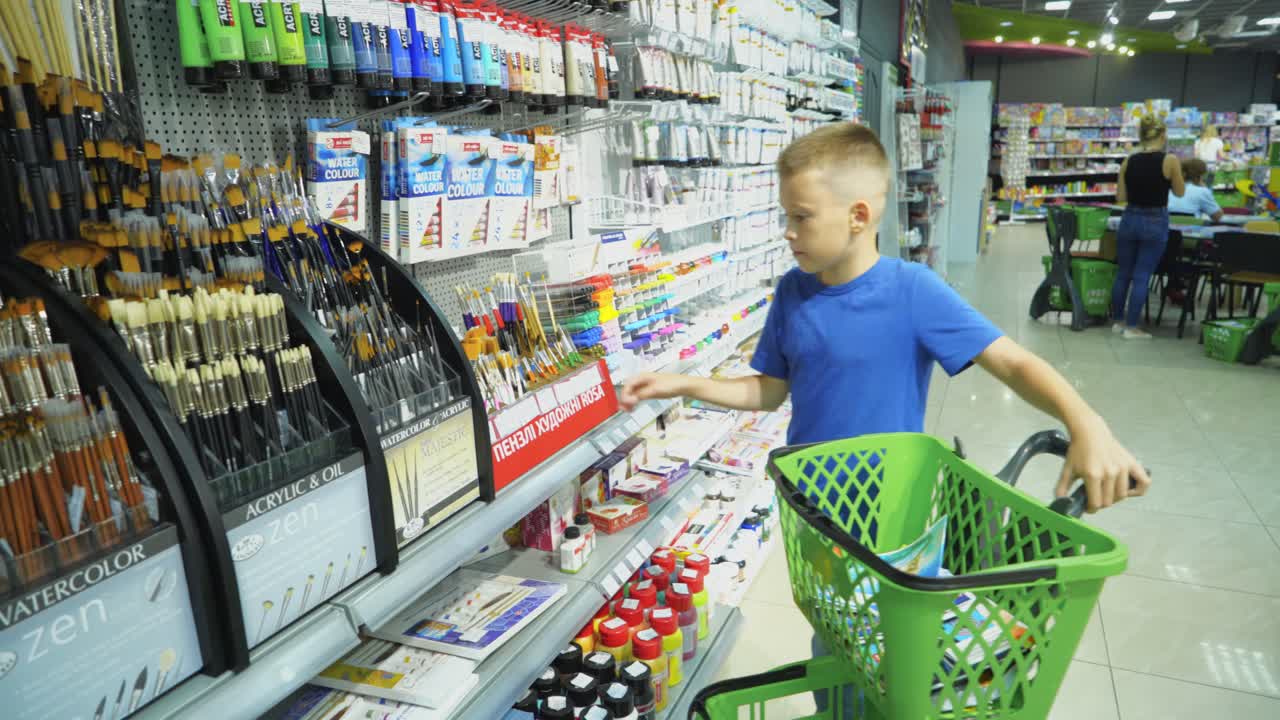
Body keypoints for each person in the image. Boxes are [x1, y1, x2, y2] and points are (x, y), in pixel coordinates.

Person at [618, 123, 1151, 718]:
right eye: (785, 217)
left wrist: (1087, 424)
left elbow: (1013, 361)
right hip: (815, 516)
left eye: (800, 217)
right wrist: (684, 382)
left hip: (889, 520)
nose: (788, 232)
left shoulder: (912, 291)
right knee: (833, 638)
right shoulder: (793, 293)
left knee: (892, 660)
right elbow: (769, 392)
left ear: (858, 214)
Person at [1111, 116, 1185, 339]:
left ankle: (1117, 321)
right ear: (1163, 136)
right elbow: (1180, 192)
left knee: (1123, 273)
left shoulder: (1128, 161)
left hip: (1130, 218)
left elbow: (1120, 197)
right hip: (1154, 221)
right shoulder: (1170, 160)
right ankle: (1132, 326)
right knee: (1142, 275)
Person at [1168, 157, 1223, 223]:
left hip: (1167, 231)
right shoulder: (1202, 191)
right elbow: (1217, 217)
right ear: (1201, 176)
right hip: (1192, 231)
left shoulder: (1168, 189)